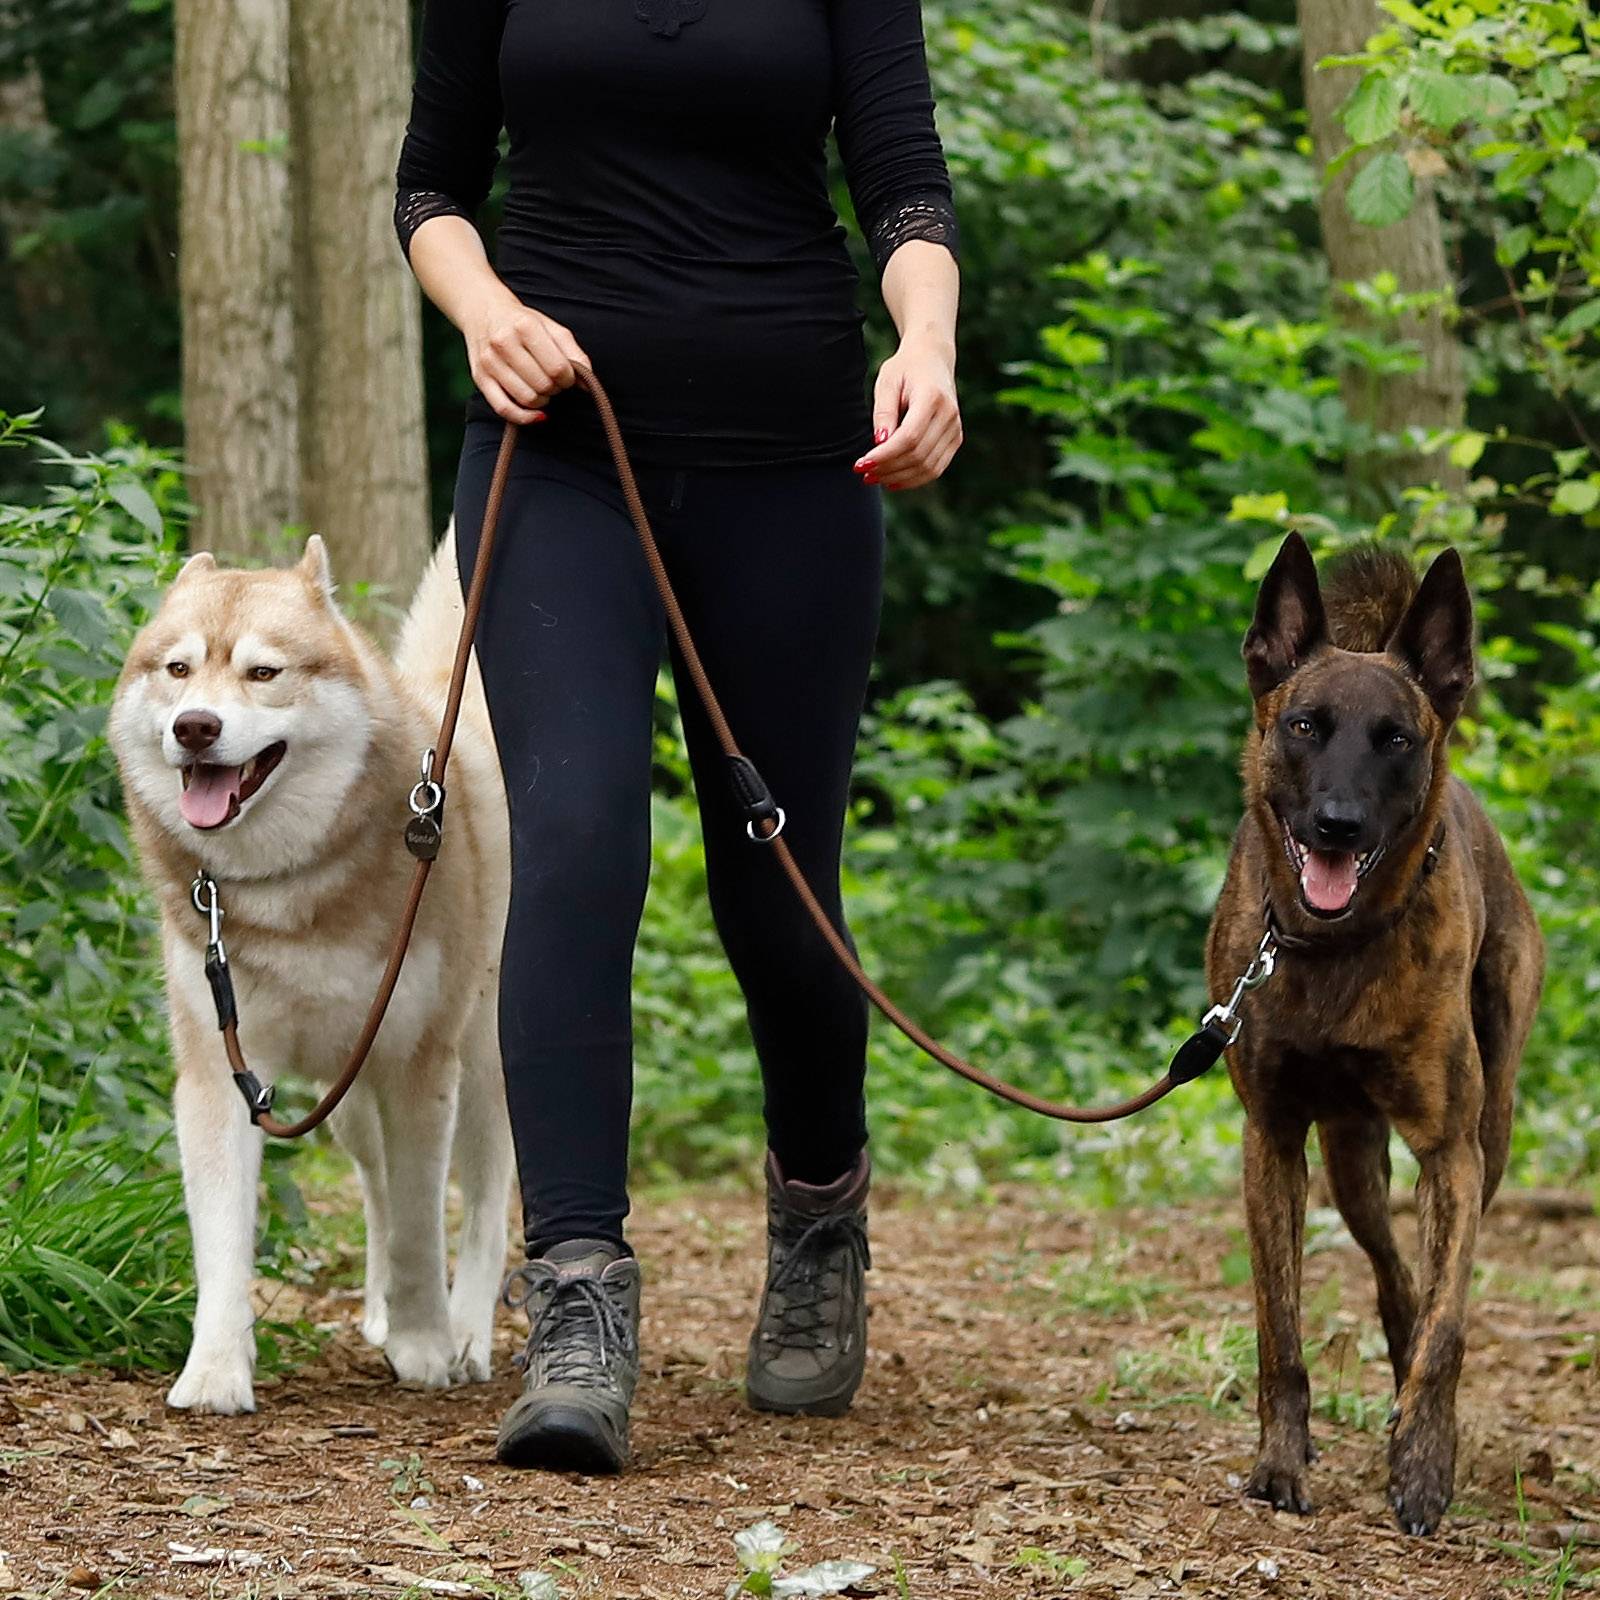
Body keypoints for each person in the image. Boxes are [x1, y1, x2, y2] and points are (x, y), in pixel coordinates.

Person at [394, 0, 961, 1474]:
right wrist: (485, 312)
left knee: (777, 882)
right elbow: (432, 189)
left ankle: (820, 1215)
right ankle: (575, 1298)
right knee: (576, 837)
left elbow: (904, 185)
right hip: (558, 457)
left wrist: (927, 343)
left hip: (797, 464)